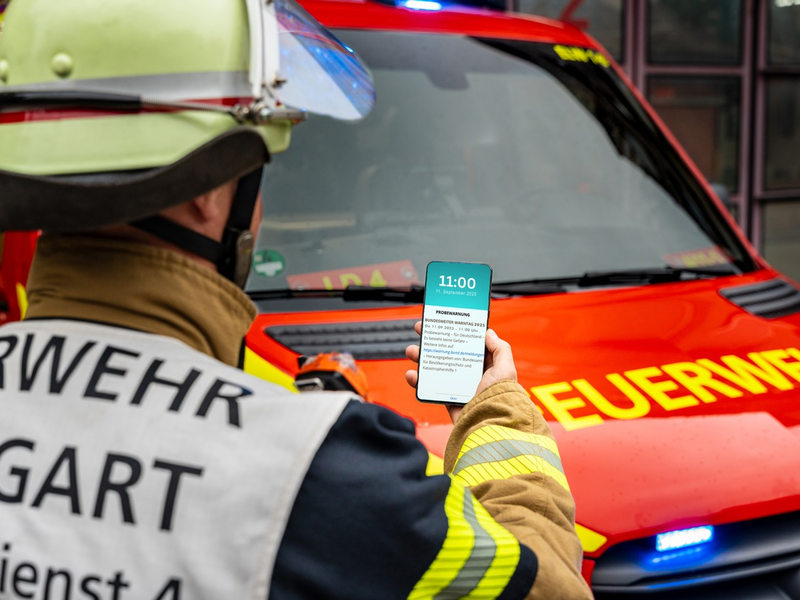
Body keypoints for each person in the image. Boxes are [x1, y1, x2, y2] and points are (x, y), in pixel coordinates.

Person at [0, 0, 593, 598]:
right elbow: (550, 587)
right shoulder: (314, 467)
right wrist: (494, 413)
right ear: (209, 189)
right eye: (261, 172)